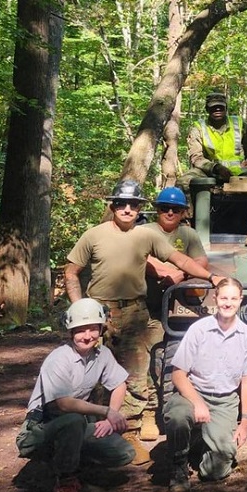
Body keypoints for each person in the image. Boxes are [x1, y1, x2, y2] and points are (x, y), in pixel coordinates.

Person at [64, 179, 225, 464]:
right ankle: (87, 434)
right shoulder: (93, 235)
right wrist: (78, 308)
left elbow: (181, 260)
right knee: (90, 374)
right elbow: (71, 271)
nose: (127, 209)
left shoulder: (146, 237)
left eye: (133, 204)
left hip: (135, 314)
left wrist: (212, 278)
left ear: (139, 208)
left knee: (135, 377)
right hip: (97, 313)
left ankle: (130, 431)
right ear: (112, 206)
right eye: (121, 204)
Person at [16, 298, 136, 492]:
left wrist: (112, 416)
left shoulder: (102, 355)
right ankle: (64, 484)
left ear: (101, 329)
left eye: (93, 329)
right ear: (70, 331)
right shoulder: (59, 359)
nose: (87, 336)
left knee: (123, 453)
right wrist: (106, 411)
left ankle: (73, 462)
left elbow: (119, 384)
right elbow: (63, 404)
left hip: (76, 427)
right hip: (40, 430)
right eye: (80, 330)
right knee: (71, 421)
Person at [163, 278, 247, 492]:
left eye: (233, 298)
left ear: (241, 301)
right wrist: (198, 403)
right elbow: (178, 374)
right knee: (178, 416)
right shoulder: (199, 330)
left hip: (224, 400)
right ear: (215, 299)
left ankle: (199, 441)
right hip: (193, 392)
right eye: (224, 297)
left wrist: (244, 422)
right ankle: (178, 465)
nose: (228, 303)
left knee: (214, 472)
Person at [142, 186, 209, 441]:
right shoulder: (144, 231)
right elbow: (142, 260)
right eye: (164, 208)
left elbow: (201, 262)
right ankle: (148, 412)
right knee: (149, 356)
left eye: (176, 209)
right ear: (157, 209)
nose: (170, 212)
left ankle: (175, 407)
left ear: (183, 212)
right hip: (147, 304)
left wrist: (181, 274)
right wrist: (162, 272)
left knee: (174, 357)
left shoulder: (188, 234)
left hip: (179, 306)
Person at [177, 91, 247, 248]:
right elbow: (196, 157)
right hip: (210, 171)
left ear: (226, 108)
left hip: (240, 171)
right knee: (183, 181)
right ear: (207, 109)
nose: (217, 111)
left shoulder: (240, 124)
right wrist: (215, 167)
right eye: (214, 108)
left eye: (220, 107)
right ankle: (186, 228)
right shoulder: (198, 128)